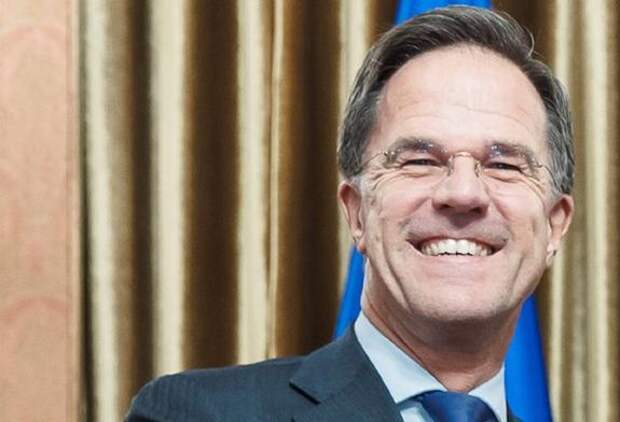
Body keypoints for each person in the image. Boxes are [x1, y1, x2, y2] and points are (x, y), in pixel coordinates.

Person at [126, 6, 574, 422]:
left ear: (555, 225)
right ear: (357, 213)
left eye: (504, 165)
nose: (462, 193)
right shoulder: (197, 413)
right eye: (420, 160)